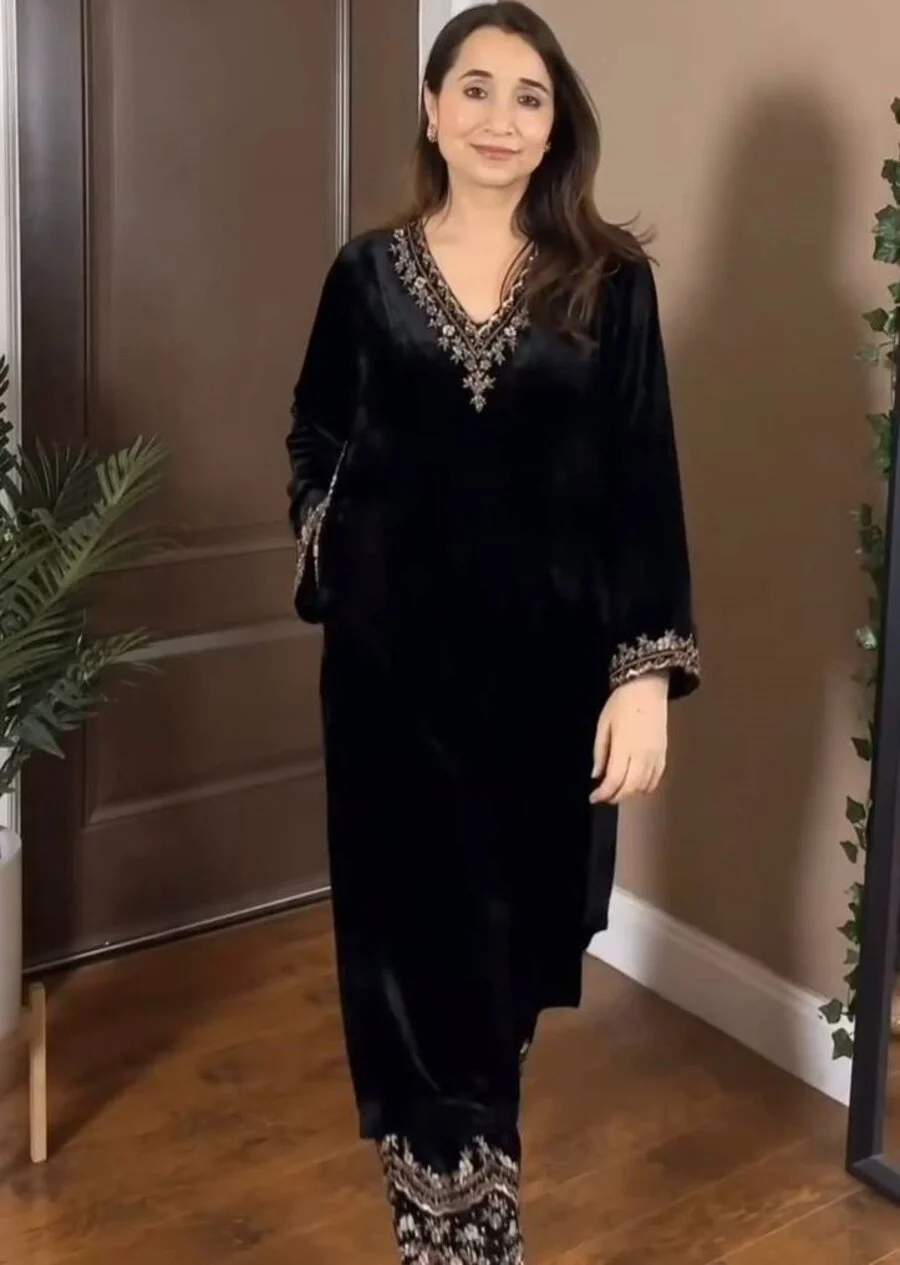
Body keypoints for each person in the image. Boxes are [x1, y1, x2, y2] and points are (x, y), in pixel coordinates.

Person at [284, 3, 699, 1260]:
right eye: (475, 89)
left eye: (530, 96)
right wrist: (348, 553)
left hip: (544, 694)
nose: (501, 120)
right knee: (416, 976)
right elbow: (315, 438)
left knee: (501, 972)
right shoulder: (365, 276)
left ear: (556, 124)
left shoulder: (610, 286)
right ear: (431, 109)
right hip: (391, 690)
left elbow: (643, 483)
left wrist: (642, 675)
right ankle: (459, 1239)